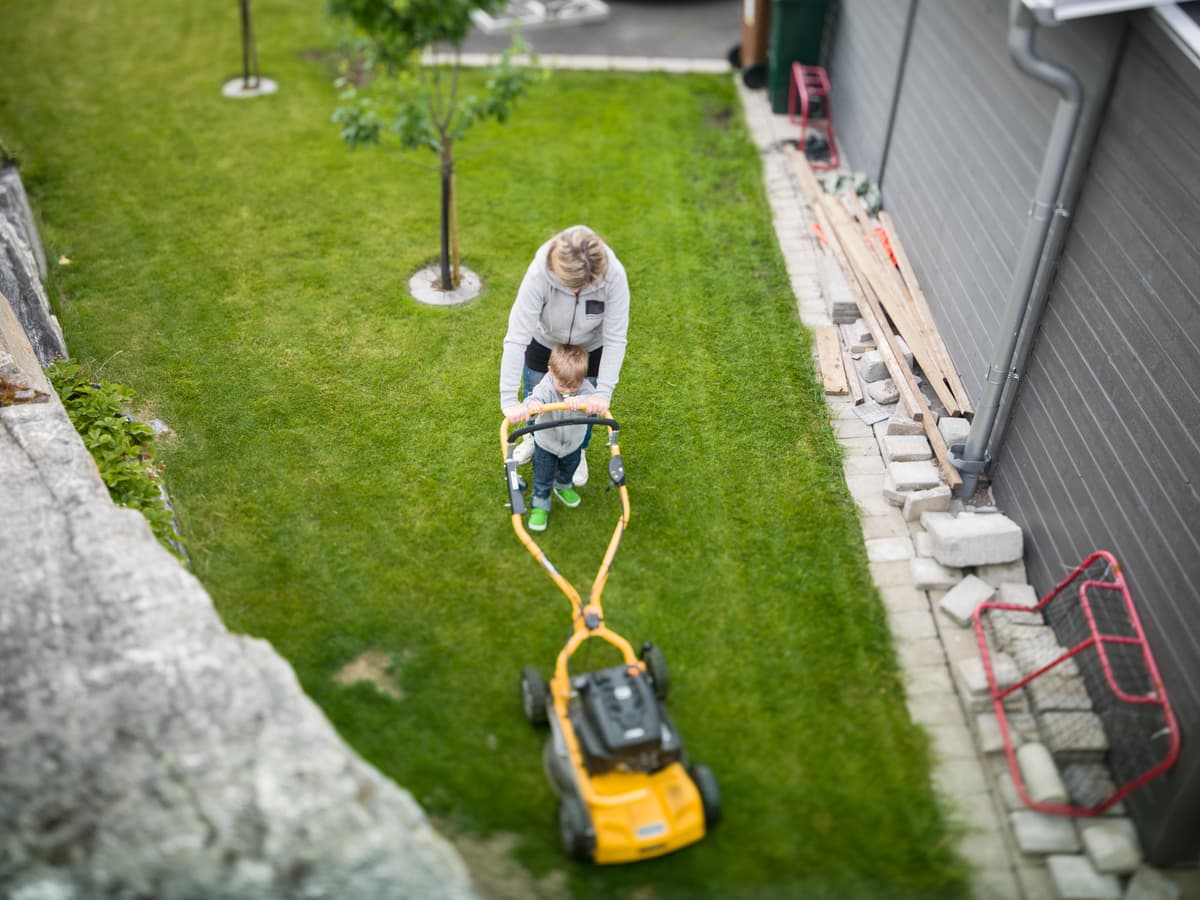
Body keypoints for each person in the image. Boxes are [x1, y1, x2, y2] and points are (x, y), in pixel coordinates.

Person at [500, 225, 629, 486]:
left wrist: (603, 393)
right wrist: (509, 400)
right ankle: (533, 438)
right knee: (536, 393)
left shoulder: (614, 276)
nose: (576, 294)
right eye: (569, 287)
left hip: (591, 346)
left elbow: (615, 338)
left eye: (583, 288)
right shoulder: (539, 273)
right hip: (545, 340)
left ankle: (576, 448)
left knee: (586, 403)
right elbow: (516, 337)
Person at [520, 344, 596, 532]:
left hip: (573, 444)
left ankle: (562, 485)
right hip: (547, 443)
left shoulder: (585, 389)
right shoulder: (546, 386)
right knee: (543, 476)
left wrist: (582, 403)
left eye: (573, 386)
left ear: (582, 378)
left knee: (568, 468)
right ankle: (540, 504)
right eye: (563, 385)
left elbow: (595, 404)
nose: (568, 391)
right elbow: (531, 400)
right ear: (550, 371)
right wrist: (534, 405)